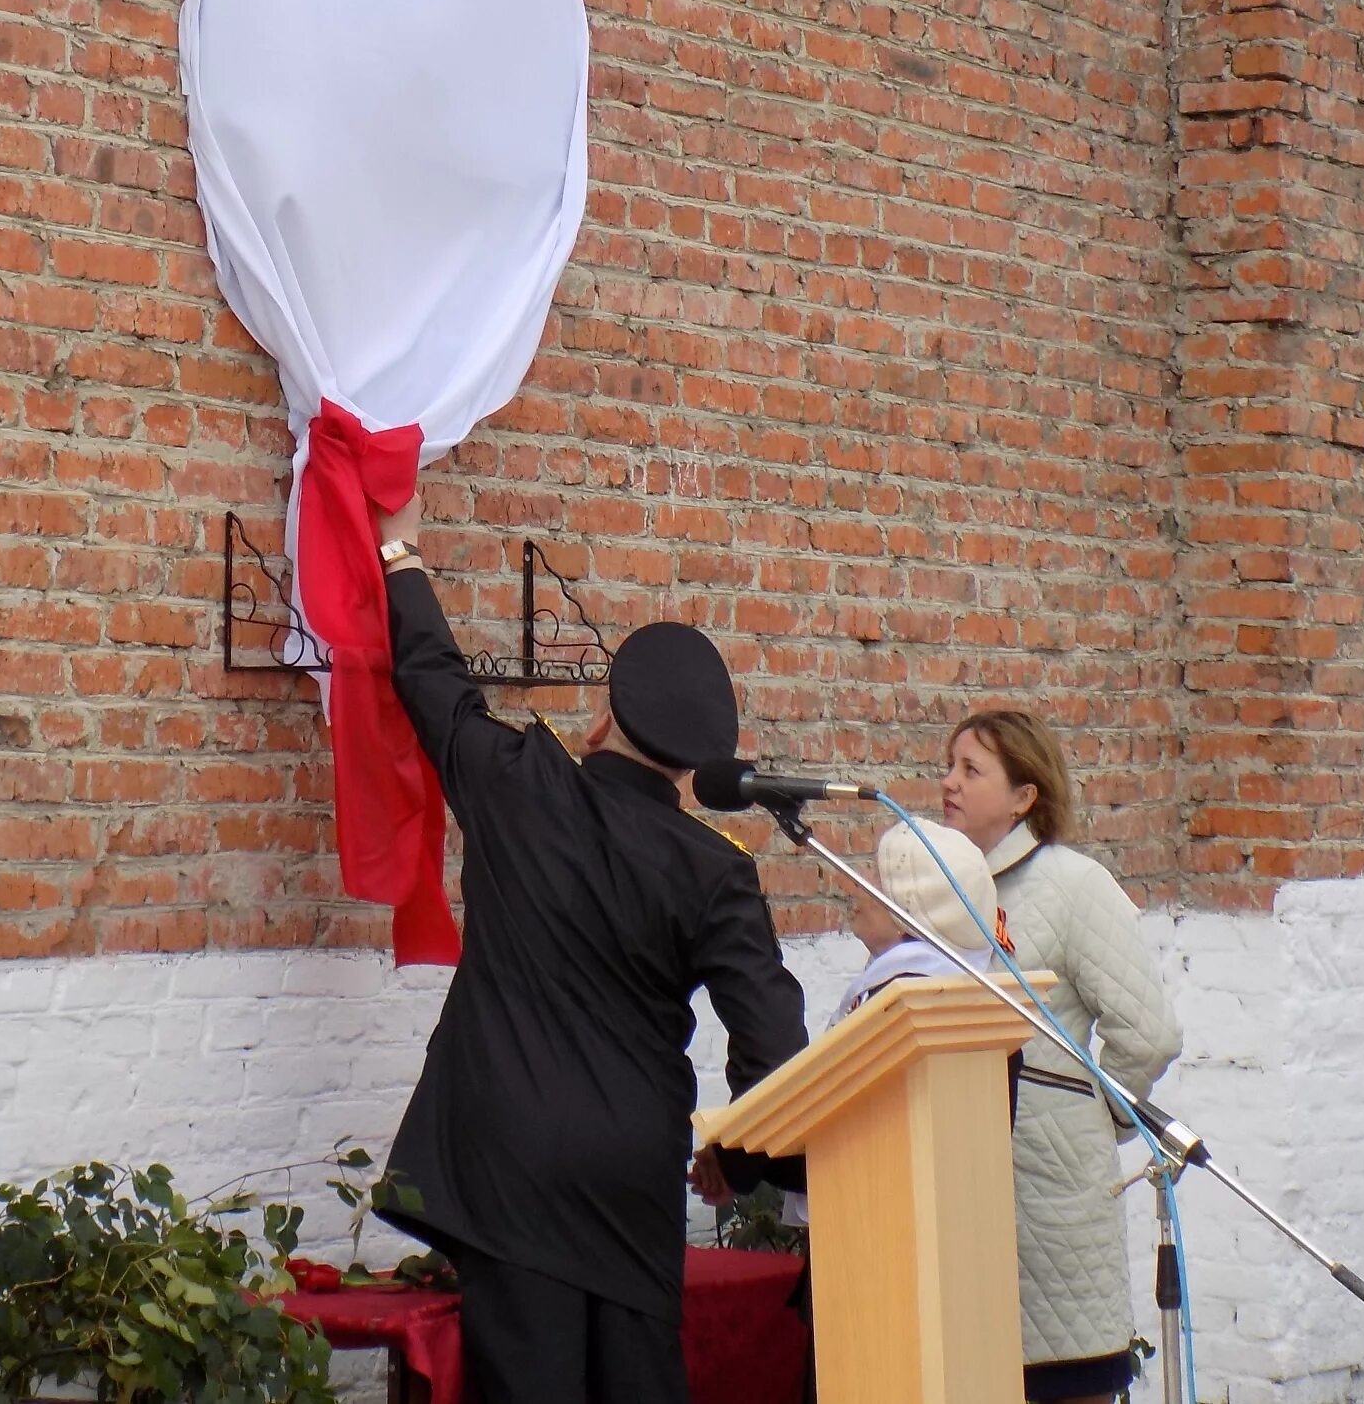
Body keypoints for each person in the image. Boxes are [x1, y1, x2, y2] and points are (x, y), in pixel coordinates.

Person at [375, 498, 807, 1404]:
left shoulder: (520, 784)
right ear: (695, 771)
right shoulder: (716, 870)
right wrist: (747, 1157)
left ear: (606, 719)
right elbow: (771, 1044)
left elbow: (433, 682)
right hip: (630, 1180)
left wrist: (400, 551)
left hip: (506, 1169)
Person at [939, 709, 1180, 1404]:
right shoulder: (939, 889)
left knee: (1063, 1380)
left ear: (1024, 796)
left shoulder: (1075, 885)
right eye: (949, 766)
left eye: (971, 770)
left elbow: (1148, 1032)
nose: (948, 783)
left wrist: (1095, 1112)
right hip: (960, 1177)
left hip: (1051, 1184)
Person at [771, 817, 1002, 1230]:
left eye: (877, 878)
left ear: (908, 912)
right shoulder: (965, 993)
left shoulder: (906, 1009)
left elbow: (851, 1134)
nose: (859, 886)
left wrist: (741, 1161)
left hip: (885, 1230)